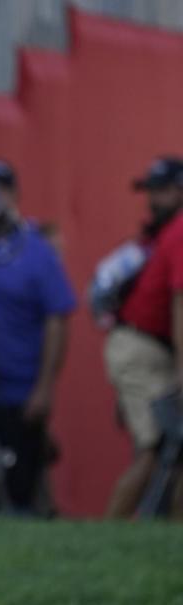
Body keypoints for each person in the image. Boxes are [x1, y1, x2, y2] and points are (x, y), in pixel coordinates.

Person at [0, 162, 77, 515]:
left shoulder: (36, 251)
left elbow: (57, 319)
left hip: (19, 392)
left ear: (13, 195)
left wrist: (44, 387)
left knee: (20, 484)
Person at [104, 156, 183, 519]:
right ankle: (106, 538)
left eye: (161, 190)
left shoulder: (169, 231)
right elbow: (180, 307)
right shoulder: (179, 231)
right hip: (144, 349)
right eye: (152, 191)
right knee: (157, 449)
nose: (153, 200)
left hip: (145, 349)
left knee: (173, 450)